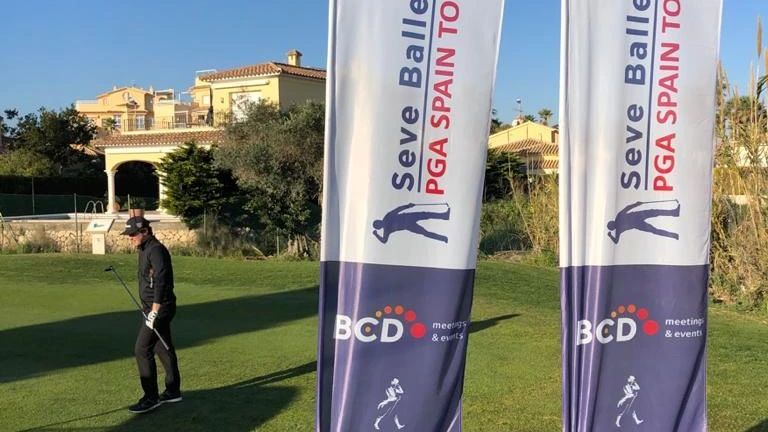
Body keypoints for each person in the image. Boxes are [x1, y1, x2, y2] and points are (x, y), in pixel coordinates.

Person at [121, 216, 182, 414]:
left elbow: (161, 280)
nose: (130, 238)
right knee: (162, 346)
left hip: (160, 308)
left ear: (145, 231)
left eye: (133, 234)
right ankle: (172, 390)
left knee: (142, 349)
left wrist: (154, 311)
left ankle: (151, 397)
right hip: (151, 309)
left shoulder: (156, 250)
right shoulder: (144, 249)